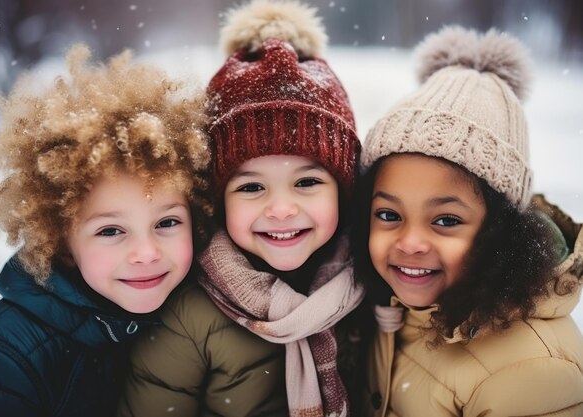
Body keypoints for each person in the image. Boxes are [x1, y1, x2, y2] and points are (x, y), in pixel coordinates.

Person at [117, 1, 365, 416]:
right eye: (251, 186)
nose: (282, 208)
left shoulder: (371, 287)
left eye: (307, 182)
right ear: (217, 200)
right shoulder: (190, 316)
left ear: (344, 191)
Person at [0, 44, 213, 417]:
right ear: (61, 240)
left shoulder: (201, 309)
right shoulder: (3, 358)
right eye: (110, 231)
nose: (146, 252)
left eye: (167, 223)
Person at [353, 26, 583, 416]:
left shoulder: (528, 369)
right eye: (389, 215)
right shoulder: (390, 307)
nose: (410, 242)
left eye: (445, 220)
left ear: (501, 232)